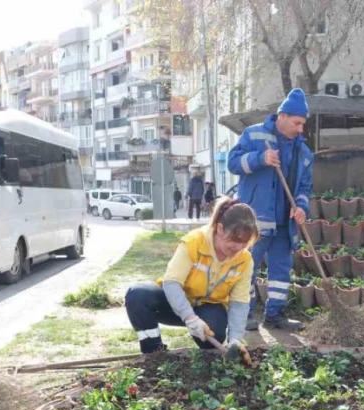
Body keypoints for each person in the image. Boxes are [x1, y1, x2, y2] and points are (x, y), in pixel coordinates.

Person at [125, 198, 257, 357]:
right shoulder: (194, 242)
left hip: (208, 308)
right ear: (220, 229)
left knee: (213, 337)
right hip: (174, 303)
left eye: (244, 243)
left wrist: (235, 340)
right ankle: (154, 354)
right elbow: (172, 283)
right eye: (235, 240)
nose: (238, 248)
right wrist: (190, 317)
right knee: (137, 296)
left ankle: (207, 356)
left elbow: (240, 302)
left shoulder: (245, 260)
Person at [228, 87, 312, 332]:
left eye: (302, 124)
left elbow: (305, 186)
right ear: (282, 116)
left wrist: (302, 207)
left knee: (280, 271)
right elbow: (233, 163)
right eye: (297, 122)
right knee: (247, 267)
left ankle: (275, 314)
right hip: (255, 220)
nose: (300, 129)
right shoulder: (254, 135)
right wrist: (260, 159)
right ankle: (244, 314)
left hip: (285, 224)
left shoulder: (304, 153)